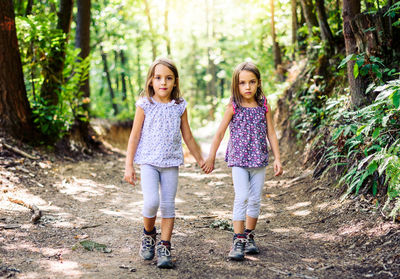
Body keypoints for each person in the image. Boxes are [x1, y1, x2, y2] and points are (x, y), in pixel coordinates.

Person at [124, 58, 205, 268]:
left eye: (168, 78)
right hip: (149, 162)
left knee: (168, 206)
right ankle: (149, 234)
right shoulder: (145, 105)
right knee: (151, 202)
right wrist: (129, 165)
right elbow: (134, 136)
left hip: (170, 163)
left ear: (175, 82)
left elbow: (187, 135)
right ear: (151, 81)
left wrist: (201, 159)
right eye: (158, 78)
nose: (163, 82)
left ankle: (165, 246)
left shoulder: (179, 106)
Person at [203, 61, 283, 261]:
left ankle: (249, 235)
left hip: (259, 160)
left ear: (258, 83)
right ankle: (238, 240)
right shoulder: (233, 106)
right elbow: (220, 133)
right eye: (242, 83)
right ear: (236, 85)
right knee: (242, 197)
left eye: (251, 82)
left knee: (255, 199)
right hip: (239, 160)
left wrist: (278, 159)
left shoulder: (264, 105)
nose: (247, 87)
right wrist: (211, 156)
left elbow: (271, 133)